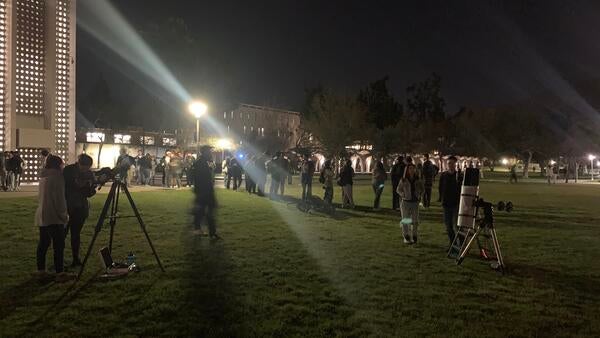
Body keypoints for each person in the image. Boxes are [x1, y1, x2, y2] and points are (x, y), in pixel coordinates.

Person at [35, 155, 72, 282]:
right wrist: (64, 215)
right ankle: (60, 273)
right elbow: (59, 199)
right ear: (58, 165)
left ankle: (41, 271)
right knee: (59, 245)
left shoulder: (43, 176)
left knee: (43, 243)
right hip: (54, 216)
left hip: (42, 214)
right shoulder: (57, 177)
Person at [63, 154, 96, 267]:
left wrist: (91, 187)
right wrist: (83, 184)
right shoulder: (68, 170)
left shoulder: (89, 173)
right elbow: (68, 186)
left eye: (88, 167)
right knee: (62, 234)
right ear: (79, 163)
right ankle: (59, 258)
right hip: (67, 206)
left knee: (76, 234)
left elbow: (90, 192)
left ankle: (75, 258)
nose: (87, 169)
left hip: (81, 207)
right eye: (85, 167)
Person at [191, 146, 218, 238]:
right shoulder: (200, 163)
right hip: (204, 192)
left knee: (204, 211)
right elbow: (200, 179)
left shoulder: (204, 162)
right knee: (203, 211)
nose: (211, 154)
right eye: (210, 152)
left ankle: (210, 231)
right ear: (205, 153)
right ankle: (208, 231)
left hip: (206, 191)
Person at [438, 156, 463, 245]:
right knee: (448, 226)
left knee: (457, 225)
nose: (450, 165)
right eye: (449, 163)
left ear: (455, 164)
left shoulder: (459, 176)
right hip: (446, 204)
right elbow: (440, 188)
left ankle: (462, 244)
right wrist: (441, 198)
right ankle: (452, 243)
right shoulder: (444, 175)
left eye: (452, 163)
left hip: (456, 203)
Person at [397, 164, 424, 244]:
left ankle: (414, 235)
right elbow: (398, 189)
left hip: (415, 202)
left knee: (415, 220)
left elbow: (423, 189)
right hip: (406, 202)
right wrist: (403, 194)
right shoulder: (404, 180)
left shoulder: (418, 179)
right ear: (407, 170)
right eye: (410, 169)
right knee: (406, 220)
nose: (411, 170)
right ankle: (406, 236)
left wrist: (419, 194)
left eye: (413, 168)